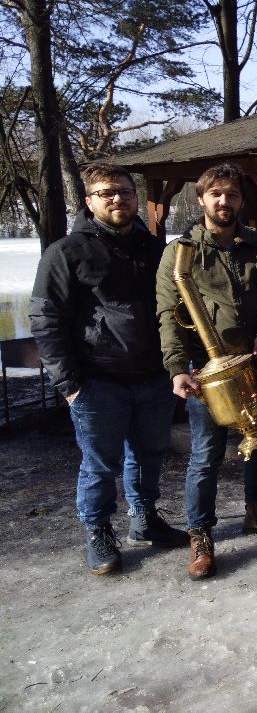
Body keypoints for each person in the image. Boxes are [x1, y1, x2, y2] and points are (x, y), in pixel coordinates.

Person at [30, 163, 188, 574]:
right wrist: (69, 383)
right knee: (100, 463)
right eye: (107, 193)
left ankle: (144, 517)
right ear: (89, 201)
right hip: (98, 380)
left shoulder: (155, 248)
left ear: (137, 198)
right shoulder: (67, 252)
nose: (118, 198)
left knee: (148, 454)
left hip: (152, 376)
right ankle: (98, 529)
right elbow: (47, 319)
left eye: (125, 192)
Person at [157, 162, 257, 581]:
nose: (224, 202)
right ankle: (201, 535)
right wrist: (178, 368)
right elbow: (167, 313)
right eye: (216, 194)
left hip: (254, 365)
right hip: (207, 371)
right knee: (205, 456)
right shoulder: (182, 253)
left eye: (232, 195)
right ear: (201, 200)